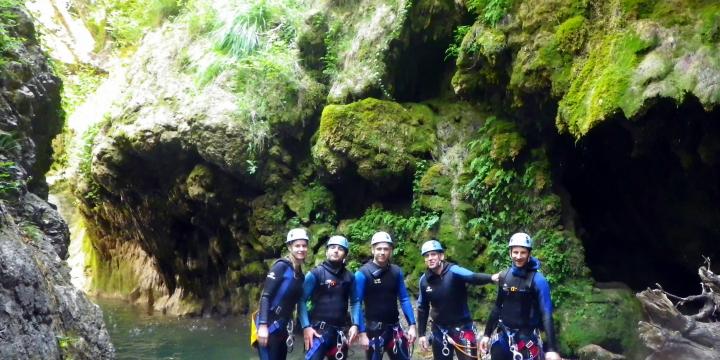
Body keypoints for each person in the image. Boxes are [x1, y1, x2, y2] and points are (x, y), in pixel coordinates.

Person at [479, 232, 561, 360]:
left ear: (529, 254)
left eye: (523, 252)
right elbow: (497, 307)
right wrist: (486, 335)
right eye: (515, 252)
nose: (518, 256)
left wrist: (551, 349)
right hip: (503, 338)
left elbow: (546, 314)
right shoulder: (505, 276)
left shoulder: (538, 281)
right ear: (510, 253)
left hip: (526, 340)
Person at [417, 240, 498, 360]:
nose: (430, 258)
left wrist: (491, 278)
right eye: (427, 256)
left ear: (441, 256)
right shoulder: (424, 280)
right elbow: (422, 307)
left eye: (433, 254)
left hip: (463, 327)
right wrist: (422, 334)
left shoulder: (453, 271)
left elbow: (473, 277)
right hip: (439, 330)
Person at [354, 231, 417, 360]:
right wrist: (362, 333)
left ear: (391, 251)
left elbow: (404, 299)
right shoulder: (362, 274)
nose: (382, 252)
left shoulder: (396, 271)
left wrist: (412, 325)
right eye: (379, 249)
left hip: (395, 329)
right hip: (374, 331)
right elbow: (356, 304)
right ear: (372, 250)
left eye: (386, 249)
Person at [299, 235, 360, 360]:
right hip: (317, 333)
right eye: (332, 247)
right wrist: (306, 327)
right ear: (327, 252)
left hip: (339, 334)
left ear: (345, 254)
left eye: (340, 248)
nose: (336, 250)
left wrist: (355, 324)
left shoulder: (350, 277)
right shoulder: (315, 274)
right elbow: (301, 300)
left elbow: (355, 302)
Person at [254, 228, 309, 360]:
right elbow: (265, 296)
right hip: (269, 324)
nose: (301, 249)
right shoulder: (280, 267)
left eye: (304, 245)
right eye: (297, 246)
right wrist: (262, 326)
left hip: (283, 326)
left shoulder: (300, 275)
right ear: (290, 247)